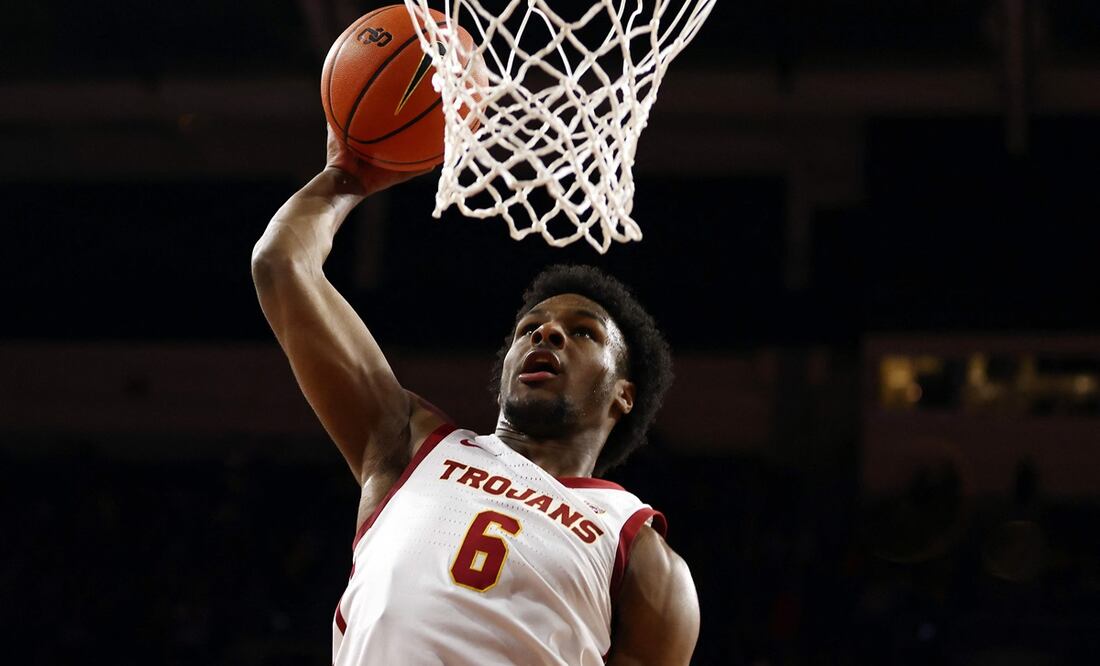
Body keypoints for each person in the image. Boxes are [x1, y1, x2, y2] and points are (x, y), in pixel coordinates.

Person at [251, 129, 700, 665]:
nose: (546, 334)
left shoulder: (639, 551)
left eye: (584, 332)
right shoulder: (410, 445)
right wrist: (343, 180)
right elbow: (281, 265)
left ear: (625, 395)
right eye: (529, 327)